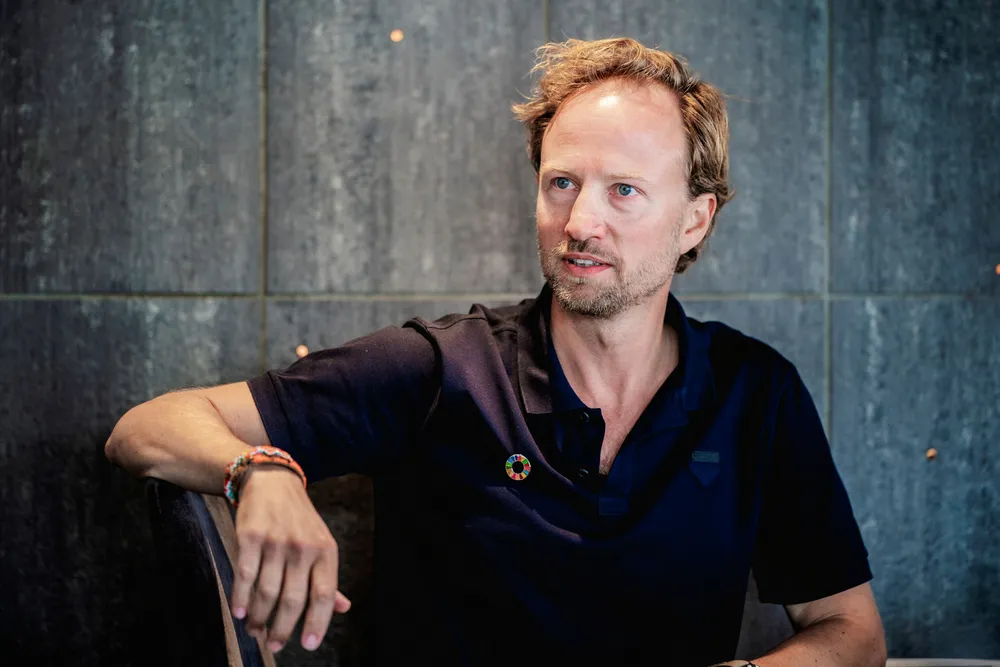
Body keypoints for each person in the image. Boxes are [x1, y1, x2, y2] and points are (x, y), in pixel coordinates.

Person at [106, 38, 886, 666]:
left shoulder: (755, 395)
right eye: (561, 183)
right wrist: (258, 470)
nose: (580, 222)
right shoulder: (440, 370)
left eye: (623, 190)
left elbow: (851, 631)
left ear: (695, 219)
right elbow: (145, 428)